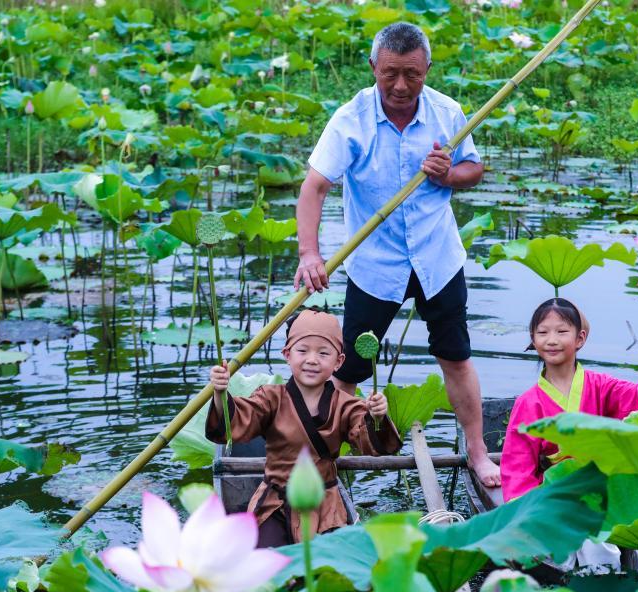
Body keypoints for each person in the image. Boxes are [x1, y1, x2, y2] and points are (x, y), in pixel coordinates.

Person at [291, 21, 501, 487]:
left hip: (437, 258)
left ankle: (479, 453)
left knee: (456, 356)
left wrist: (449, 174)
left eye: (412, 74)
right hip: (375, 265)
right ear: (373, 68)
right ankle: (324, 458)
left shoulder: (447, 112)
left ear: (427, 68)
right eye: (390, 74)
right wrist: (310, 253)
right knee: (348, 369)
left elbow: (474, 167)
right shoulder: (351, 120)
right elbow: (314, 186)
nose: (401, 86)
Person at [206, 310, 401, 548]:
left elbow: (371, 440)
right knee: (267, 564)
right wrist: (219, 392)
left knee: (332, 569)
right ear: (287, 355)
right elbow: (234, 423)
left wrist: (376, 415)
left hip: (325, 505)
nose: (312, 359)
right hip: (275, 504)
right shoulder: (270, 397)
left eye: (323, 353)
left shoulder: (346, 404)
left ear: (338, 362)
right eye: (302, 350)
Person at [501, 298, 638, 502]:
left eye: (562, 332)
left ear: (580, 338)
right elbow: (518, 468)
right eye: (543, 332)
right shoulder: (528, 403)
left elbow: (637, 400)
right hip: (552, 500)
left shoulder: (600, 385)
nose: (551, 340)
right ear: (533, 338)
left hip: (601, 492)